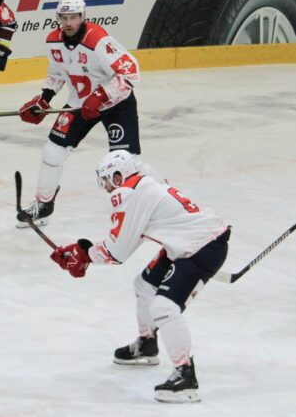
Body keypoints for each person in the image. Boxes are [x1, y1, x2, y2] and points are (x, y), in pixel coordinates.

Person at [49, 150, 229, 403]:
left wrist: (84, 253)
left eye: (107, 181)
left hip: (201, 246)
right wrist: (85, 251)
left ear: (118, 175)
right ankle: (147, 344)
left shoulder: (130, 193)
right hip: (189, 241)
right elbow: (129, 239)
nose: (107, 188)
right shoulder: (146, 182)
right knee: (144, 285)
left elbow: (117, 251)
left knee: (164, 306)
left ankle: (186, 376)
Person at [17, 0, 141, 227]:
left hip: (116, 103)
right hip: (79, 103)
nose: (69, 23)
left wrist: (101, 94)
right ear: (58, 18)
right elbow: (56, 73)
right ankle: (44, 205)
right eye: (64, 18)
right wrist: (44, 100)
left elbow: (131, 70)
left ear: (83, 16)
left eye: (74, 17)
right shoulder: (53, 41)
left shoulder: (98, 40)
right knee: (53, 151)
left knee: (123, 160)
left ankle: (131, 211)